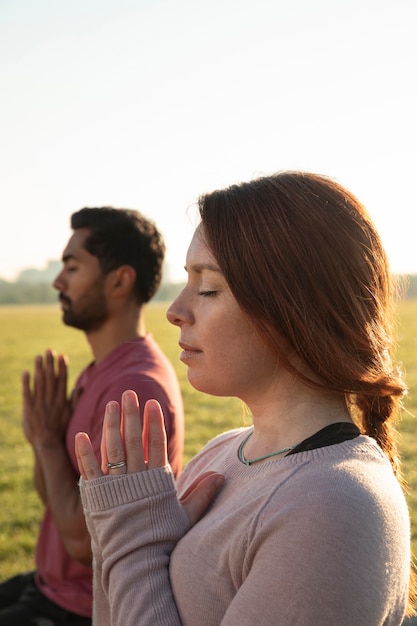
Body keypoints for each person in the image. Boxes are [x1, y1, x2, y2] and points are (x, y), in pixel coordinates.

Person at [76, 173, 415, 625]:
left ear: (292, 308)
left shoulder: (333, 506)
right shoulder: (225, 451)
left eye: (209, 287)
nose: (176, 310)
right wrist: (125, 535)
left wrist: (132, 536)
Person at [0, 207, 184, 625]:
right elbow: (55, 499)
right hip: (50, 587)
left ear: (119, 280)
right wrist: (42, 440)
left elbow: (86, 542)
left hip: (86, 608)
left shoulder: (133, 388)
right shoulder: (101, 371)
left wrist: (47, 441)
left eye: (72, 266)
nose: (57, 281)